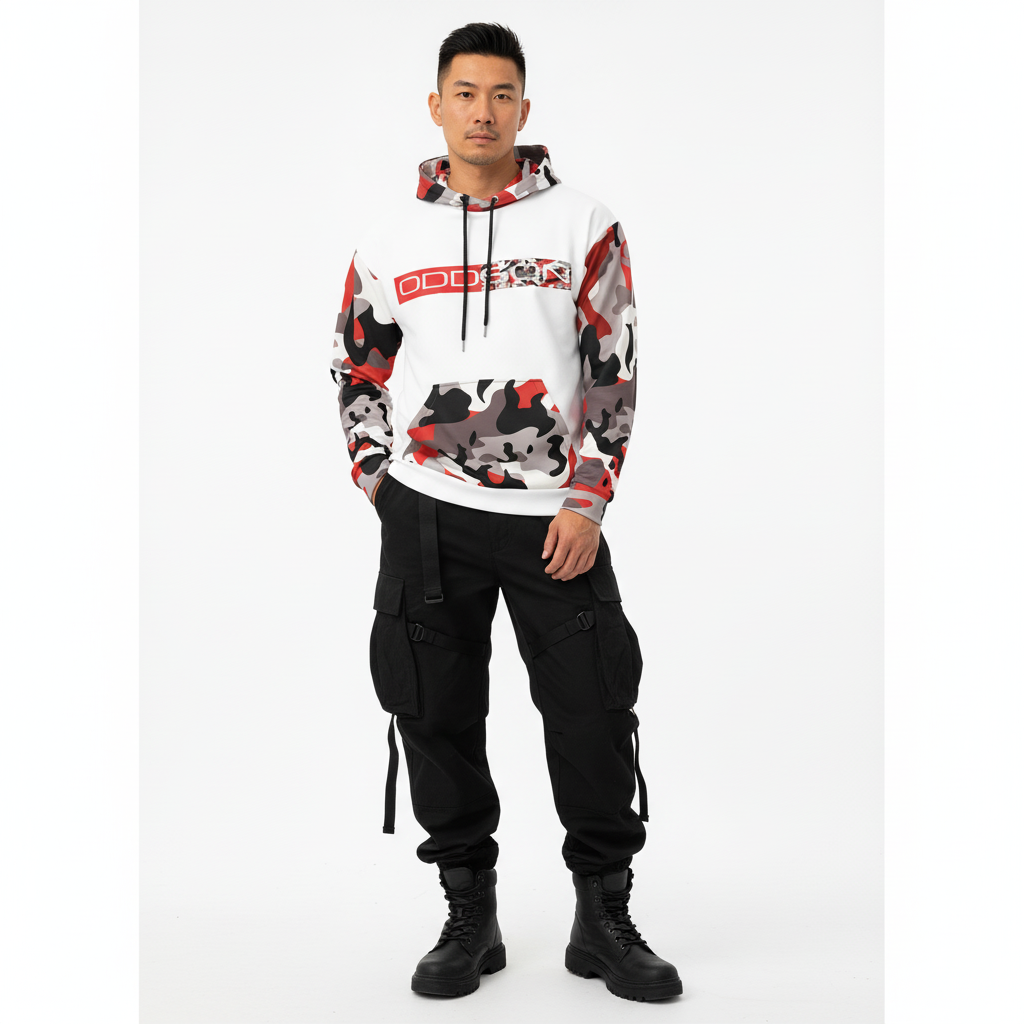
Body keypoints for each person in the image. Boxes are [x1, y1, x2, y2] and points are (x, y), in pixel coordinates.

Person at [329, 22, 681, 1003]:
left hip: (554, 521)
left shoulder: (582, 223)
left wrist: (590, 498)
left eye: (501, 94)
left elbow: (613, 368)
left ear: (524, 108)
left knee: (592, 711)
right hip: (427, 514)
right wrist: (379, 478)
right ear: (436, 106)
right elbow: (356, 363)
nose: (482, 111)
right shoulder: (388, 236)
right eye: (465, 93)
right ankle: (467, 912)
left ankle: (602, 918)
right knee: (432, 710)